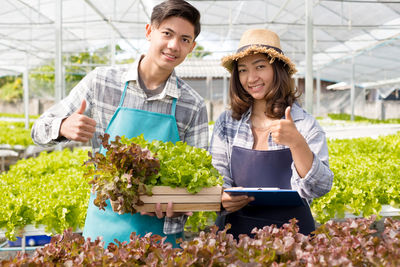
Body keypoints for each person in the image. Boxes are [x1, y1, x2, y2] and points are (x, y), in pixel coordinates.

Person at [31, 0, 208, 247]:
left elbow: (199, 182)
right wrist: (62, 126)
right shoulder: (101, 83)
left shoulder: (193, 104)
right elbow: (38, 130)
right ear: (149, 31)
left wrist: (179, 205)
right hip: (102, 236)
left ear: (192, 47)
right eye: (167, 33)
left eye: (185, 39)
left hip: (161, 241)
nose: (173, 45)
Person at [209, 28, 334, 239]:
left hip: (294, 236)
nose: (251, 78)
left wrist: (296, 143)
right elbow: (216, 172)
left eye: (260, 67)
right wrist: (221, 195)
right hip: (236, 234)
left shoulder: (304, 124)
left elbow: (320, 186)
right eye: (242, 70)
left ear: (278, 70)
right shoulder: (227, 122)